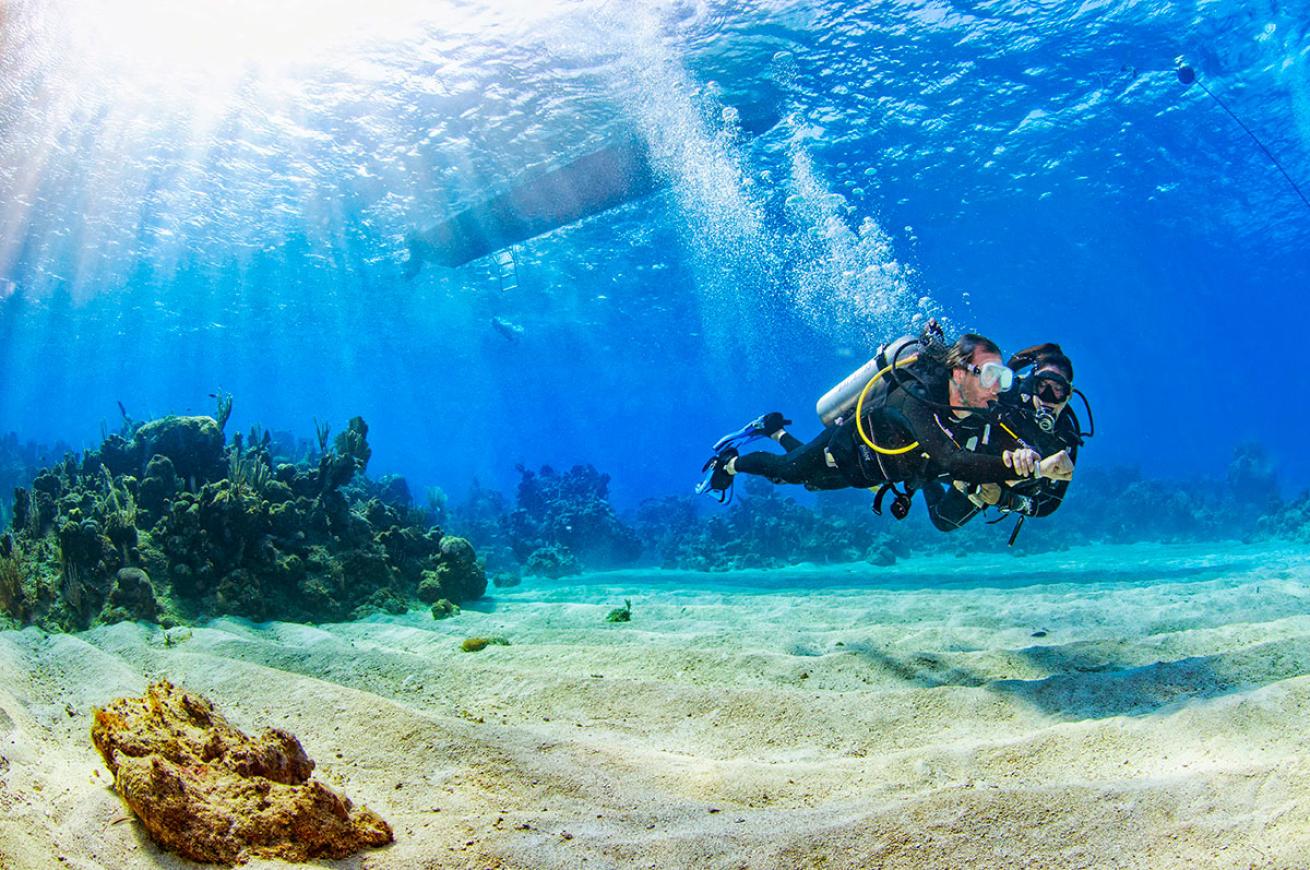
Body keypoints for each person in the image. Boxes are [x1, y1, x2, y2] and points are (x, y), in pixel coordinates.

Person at [698, 331, 1074, 510]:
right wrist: (1034, 468)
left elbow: (1021, 410)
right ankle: (729, 462)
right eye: (992, 377)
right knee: (788, 472)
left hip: (875, 472)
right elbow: (951, 459)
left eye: (1002, 378)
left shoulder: (982, 404)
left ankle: (773, 428)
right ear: (959, 374)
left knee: (813, 482)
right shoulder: (914, 401)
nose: (999, 389)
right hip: (846, 451)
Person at [921, 344, 1082, 532]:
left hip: (995, 485)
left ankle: (926, 480)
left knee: (943, 521)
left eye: (1057, 389)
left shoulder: (1064, 438)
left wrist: (1005, 498)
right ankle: (923, 475)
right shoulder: (1009, 395)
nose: (1048, 396)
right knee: (921, 467)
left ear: (1068, 394)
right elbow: (969, 378)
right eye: (1042, 385)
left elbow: (1048, 504)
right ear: (1032, 384)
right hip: (965, 456)